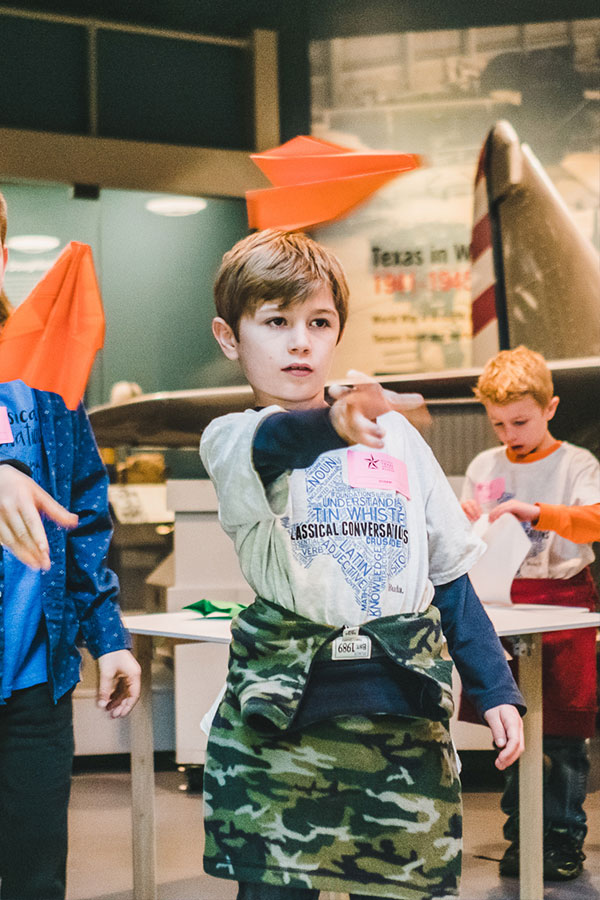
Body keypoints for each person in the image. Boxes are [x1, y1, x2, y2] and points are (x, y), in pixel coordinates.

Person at [199, 228, 525, 900]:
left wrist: (494, 687)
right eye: (276, 322)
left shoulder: (397, 436)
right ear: (230, 337)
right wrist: (338, 420)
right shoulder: (234, 437)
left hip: (400, 704)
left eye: (319, 322)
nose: (301, 342)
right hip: (284, 717)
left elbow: (447, 571)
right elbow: (285, 440)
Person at [0, 190, 141, 900]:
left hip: (32, 682)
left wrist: (108, 636)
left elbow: (83, 512)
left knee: (33, 878)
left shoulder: (42, 377)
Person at [460, 344, 600, 882]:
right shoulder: (484, 466)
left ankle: (562, 838)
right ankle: (524, 836)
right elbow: (470, 539)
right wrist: (469, 520)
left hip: (563, 601)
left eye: (519, 421)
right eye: (498, 424)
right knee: (511, 724)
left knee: (563, 734)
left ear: (550, 408)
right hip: (505, 602)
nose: (508, 434)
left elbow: (590, 522)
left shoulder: (575, 463)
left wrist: (535, 511)